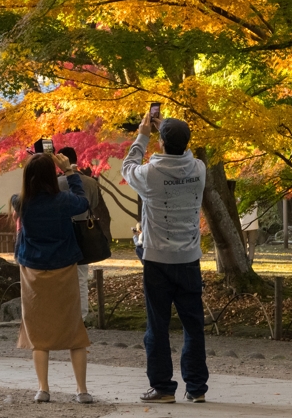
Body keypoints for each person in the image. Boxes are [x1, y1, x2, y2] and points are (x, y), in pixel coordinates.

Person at [122, 112, 209, 404]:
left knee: (157, 327)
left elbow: (127, 166)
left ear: (160, 144)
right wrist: (169, 134)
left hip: (157, 261)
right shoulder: (199, 170)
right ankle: (196, 388)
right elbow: (187, 154)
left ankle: (162, 387)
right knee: (193, 326)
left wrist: (144, 134)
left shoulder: (150, 175)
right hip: (189, 260)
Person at [15, 152, 94, 405]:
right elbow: (83, 202)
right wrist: (70, 172)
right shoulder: (64, 201)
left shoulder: (20, 202)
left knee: (38, 332)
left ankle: (43, 389)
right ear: (52, 175)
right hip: (64, 269)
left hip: (33, 272)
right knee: (73, 329)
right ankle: (81, 390)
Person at [56, 146, 110, 320]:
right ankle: (81, 315)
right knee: (81, 277)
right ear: (76, 160)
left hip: (61, 231)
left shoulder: (55, 183)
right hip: (84, 231)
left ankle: (62, 315)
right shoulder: (90, 182)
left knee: (61, 276)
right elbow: (92, 204)